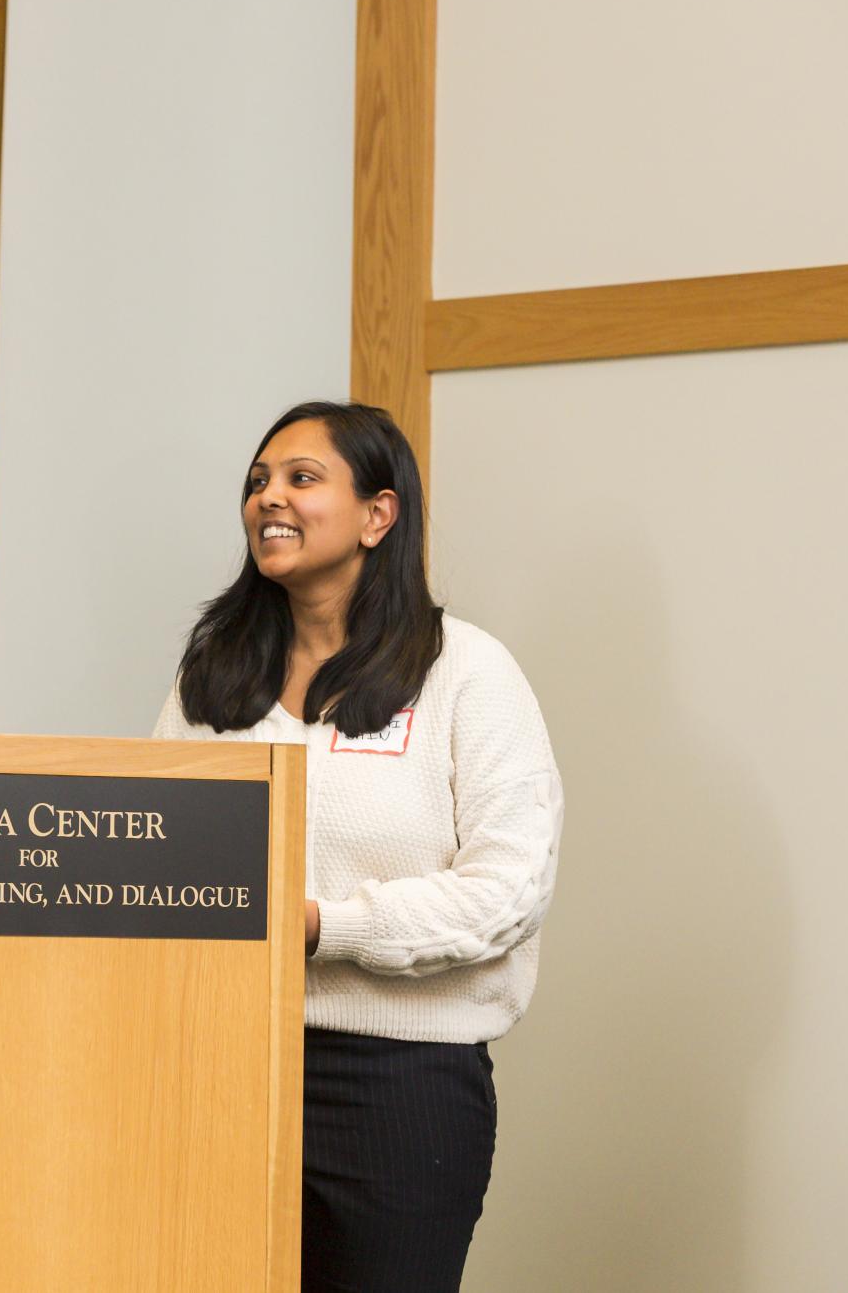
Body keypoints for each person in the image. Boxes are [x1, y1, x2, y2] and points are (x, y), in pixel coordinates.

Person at [152, 401, 562, 1293]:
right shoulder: (213, 672)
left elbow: (507, 889)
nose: (269, 498)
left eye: (302, 478)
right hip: (222, 1069)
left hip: (399, 1090)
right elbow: (156, 847)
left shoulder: (465, 670)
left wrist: (320, 925)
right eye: (258, 480)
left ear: (379, 514)